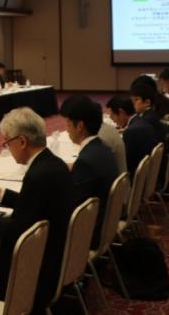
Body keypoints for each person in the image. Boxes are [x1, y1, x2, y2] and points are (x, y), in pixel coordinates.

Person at [0, 107, 72, 312]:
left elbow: (21, 231)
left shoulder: (37, 175)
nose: (7, 148)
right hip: (56, 255)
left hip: (35, 268)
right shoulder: (54, 163)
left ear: (22, 141)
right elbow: (38, 205)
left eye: (7, 142)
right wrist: (4, 195)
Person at [60, 95, 119, 246]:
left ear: (80, 126)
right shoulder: (102, 148)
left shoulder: (86, 161)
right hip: (107, 224)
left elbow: (73, 207)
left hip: (90, 235)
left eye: (68, 124)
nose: (66, 129)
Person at [107, 95, 158, 176]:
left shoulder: (131, 132)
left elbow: (124, 163)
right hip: (150, 174)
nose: (113, 120)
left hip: (136, 177)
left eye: (112, 115)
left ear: (121, 112)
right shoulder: (141, 122)